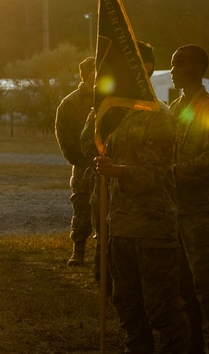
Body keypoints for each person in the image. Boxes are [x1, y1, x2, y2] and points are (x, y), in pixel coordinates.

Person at [93, 89, 189, 353]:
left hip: (153, 230)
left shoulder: (158, 116)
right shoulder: (118, 113)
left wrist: (119, 172)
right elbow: (86, 146)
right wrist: (99, 114)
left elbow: (160, 175)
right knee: (127, 306)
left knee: (163, 309)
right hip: (122, 228)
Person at [169, 44, 209, 354]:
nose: (173, 70)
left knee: (207, 289)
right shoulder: (176, 108)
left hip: (202, 213)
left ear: (197, 69)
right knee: (183, 291)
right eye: (172, 64)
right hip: (178, 212)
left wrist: (174, 173)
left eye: (179, 65)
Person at [80, 41, 159, 282]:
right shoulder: (108, 106)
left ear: (145, 68)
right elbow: (85, 144)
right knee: (104, 258)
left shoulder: (156, 111)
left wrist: (120, 169)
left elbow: (156, 170)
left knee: (139, 274)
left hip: (140, 207)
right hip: (106, 197)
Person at [54, 56, 95, 266]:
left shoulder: (110, 99)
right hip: (83, 167)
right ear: (87, 74)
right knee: (81, 207)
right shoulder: (70, 103)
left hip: (107, 164)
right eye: (95, 71)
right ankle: (78, 251)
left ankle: (104, 255)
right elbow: (65, 137)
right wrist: (79, 161)